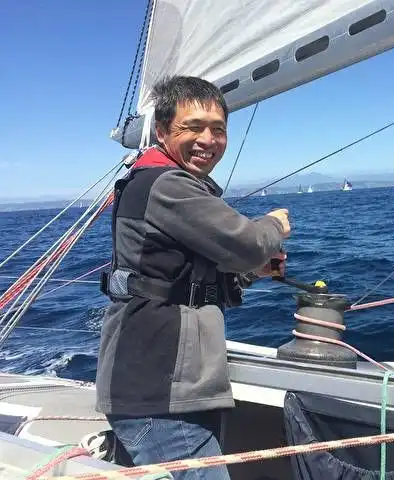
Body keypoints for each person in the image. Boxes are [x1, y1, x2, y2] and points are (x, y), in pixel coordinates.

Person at [95, 75, 290, 479]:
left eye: (218, 129)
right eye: (193, 127)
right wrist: (274, 225)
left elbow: (193, 284)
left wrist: (252, 273)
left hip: (164, 388)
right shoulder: (167, 185)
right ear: (162, 131)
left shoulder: (160, 183)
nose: (208, 139)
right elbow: (251, 243)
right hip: (161, 392)